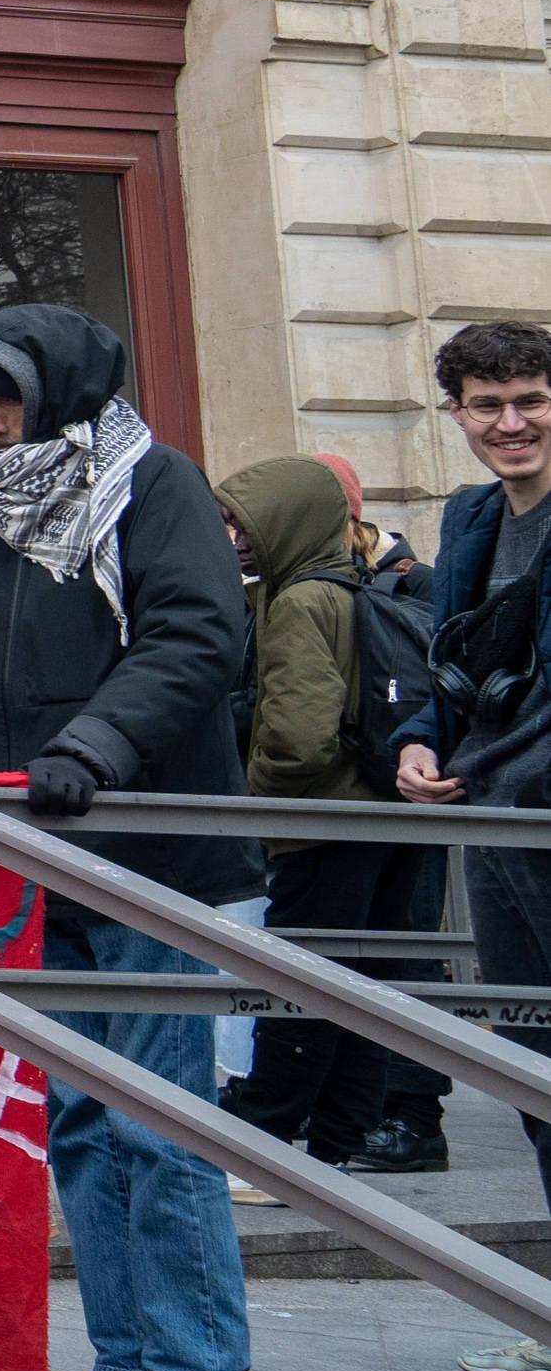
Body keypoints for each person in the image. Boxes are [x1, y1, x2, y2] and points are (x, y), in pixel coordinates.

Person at [0, 301, 255, 1371]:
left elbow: (198, 635)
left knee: (158, 1116)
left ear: (59, 389)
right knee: (78, 1117)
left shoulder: (153, 484)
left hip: (150, 850)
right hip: (37, 855)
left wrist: (97, 744)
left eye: (5, 396)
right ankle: (129, 1357)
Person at [390, 320, 551, 1371]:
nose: (511, 422)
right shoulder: (472, 517)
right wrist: (418, 740)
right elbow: (449, 667)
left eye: (531, 399)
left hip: (530, 807)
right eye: (487, 405)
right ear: (456, 414)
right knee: (532, 1071)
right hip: (495, 824)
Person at [215, 452, 433, 1177]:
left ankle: (265, 1143)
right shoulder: (348, 586)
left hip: (320, 827)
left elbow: (299, 739)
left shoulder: (299, 601)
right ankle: (339, 1142)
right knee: (361, 992)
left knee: (298, 990)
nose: (235, 539)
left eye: (245, 524)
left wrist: (254, 793)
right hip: (380, 817)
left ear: (287, 523)